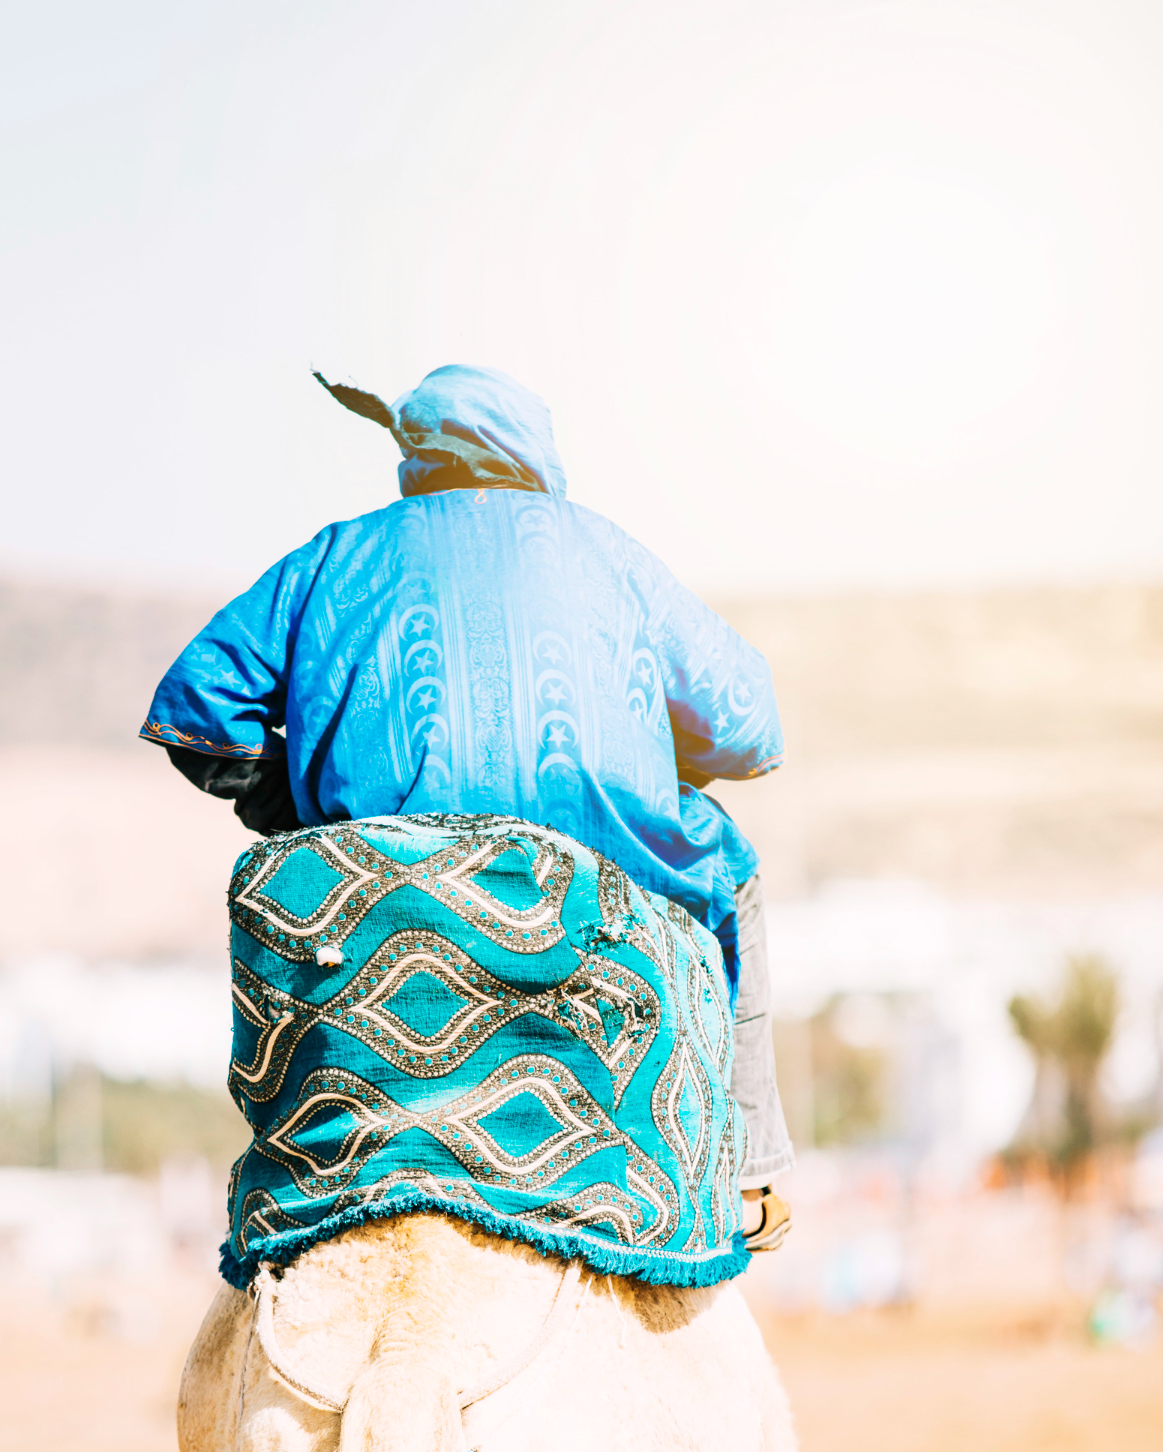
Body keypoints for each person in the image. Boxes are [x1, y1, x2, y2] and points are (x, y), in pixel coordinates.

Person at [142, 363, 794, 1248]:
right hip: (596, 858)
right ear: (538, 457)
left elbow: (199, 710)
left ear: (414, 455)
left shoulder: (332, 555)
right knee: (736, 884)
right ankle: (750, 1173)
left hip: (374, 872)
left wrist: (301, 808)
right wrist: (638, 738)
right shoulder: (608, 555)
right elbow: (751, 731)